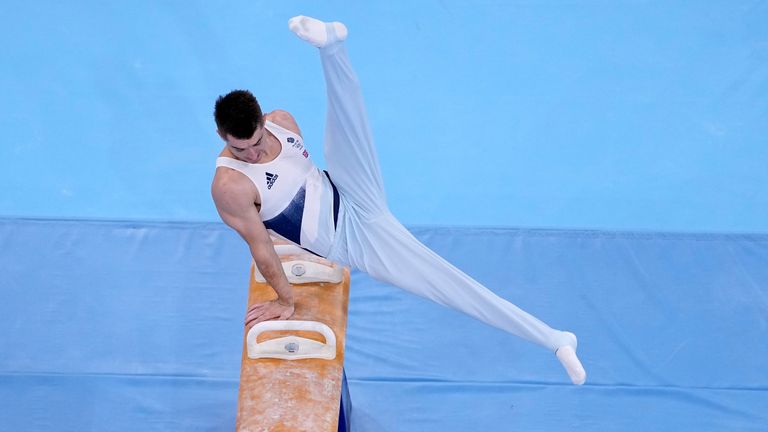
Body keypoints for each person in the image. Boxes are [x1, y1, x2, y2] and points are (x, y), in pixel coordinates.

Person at [211, 16, 587, 385]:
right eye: (241, 149)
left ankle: (332, 46)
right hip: (356, 239)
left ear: (263, 120)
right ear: (222, 137)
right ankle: (554, 339)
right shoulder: (231, 186)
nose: (254, 155)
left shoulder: (282, 120)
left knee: (347, 126)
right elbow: (260, 247)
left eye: (258, 142)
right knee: (447, 282)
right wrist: (284, 300)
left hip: (351, 189)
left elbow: (301, 180)